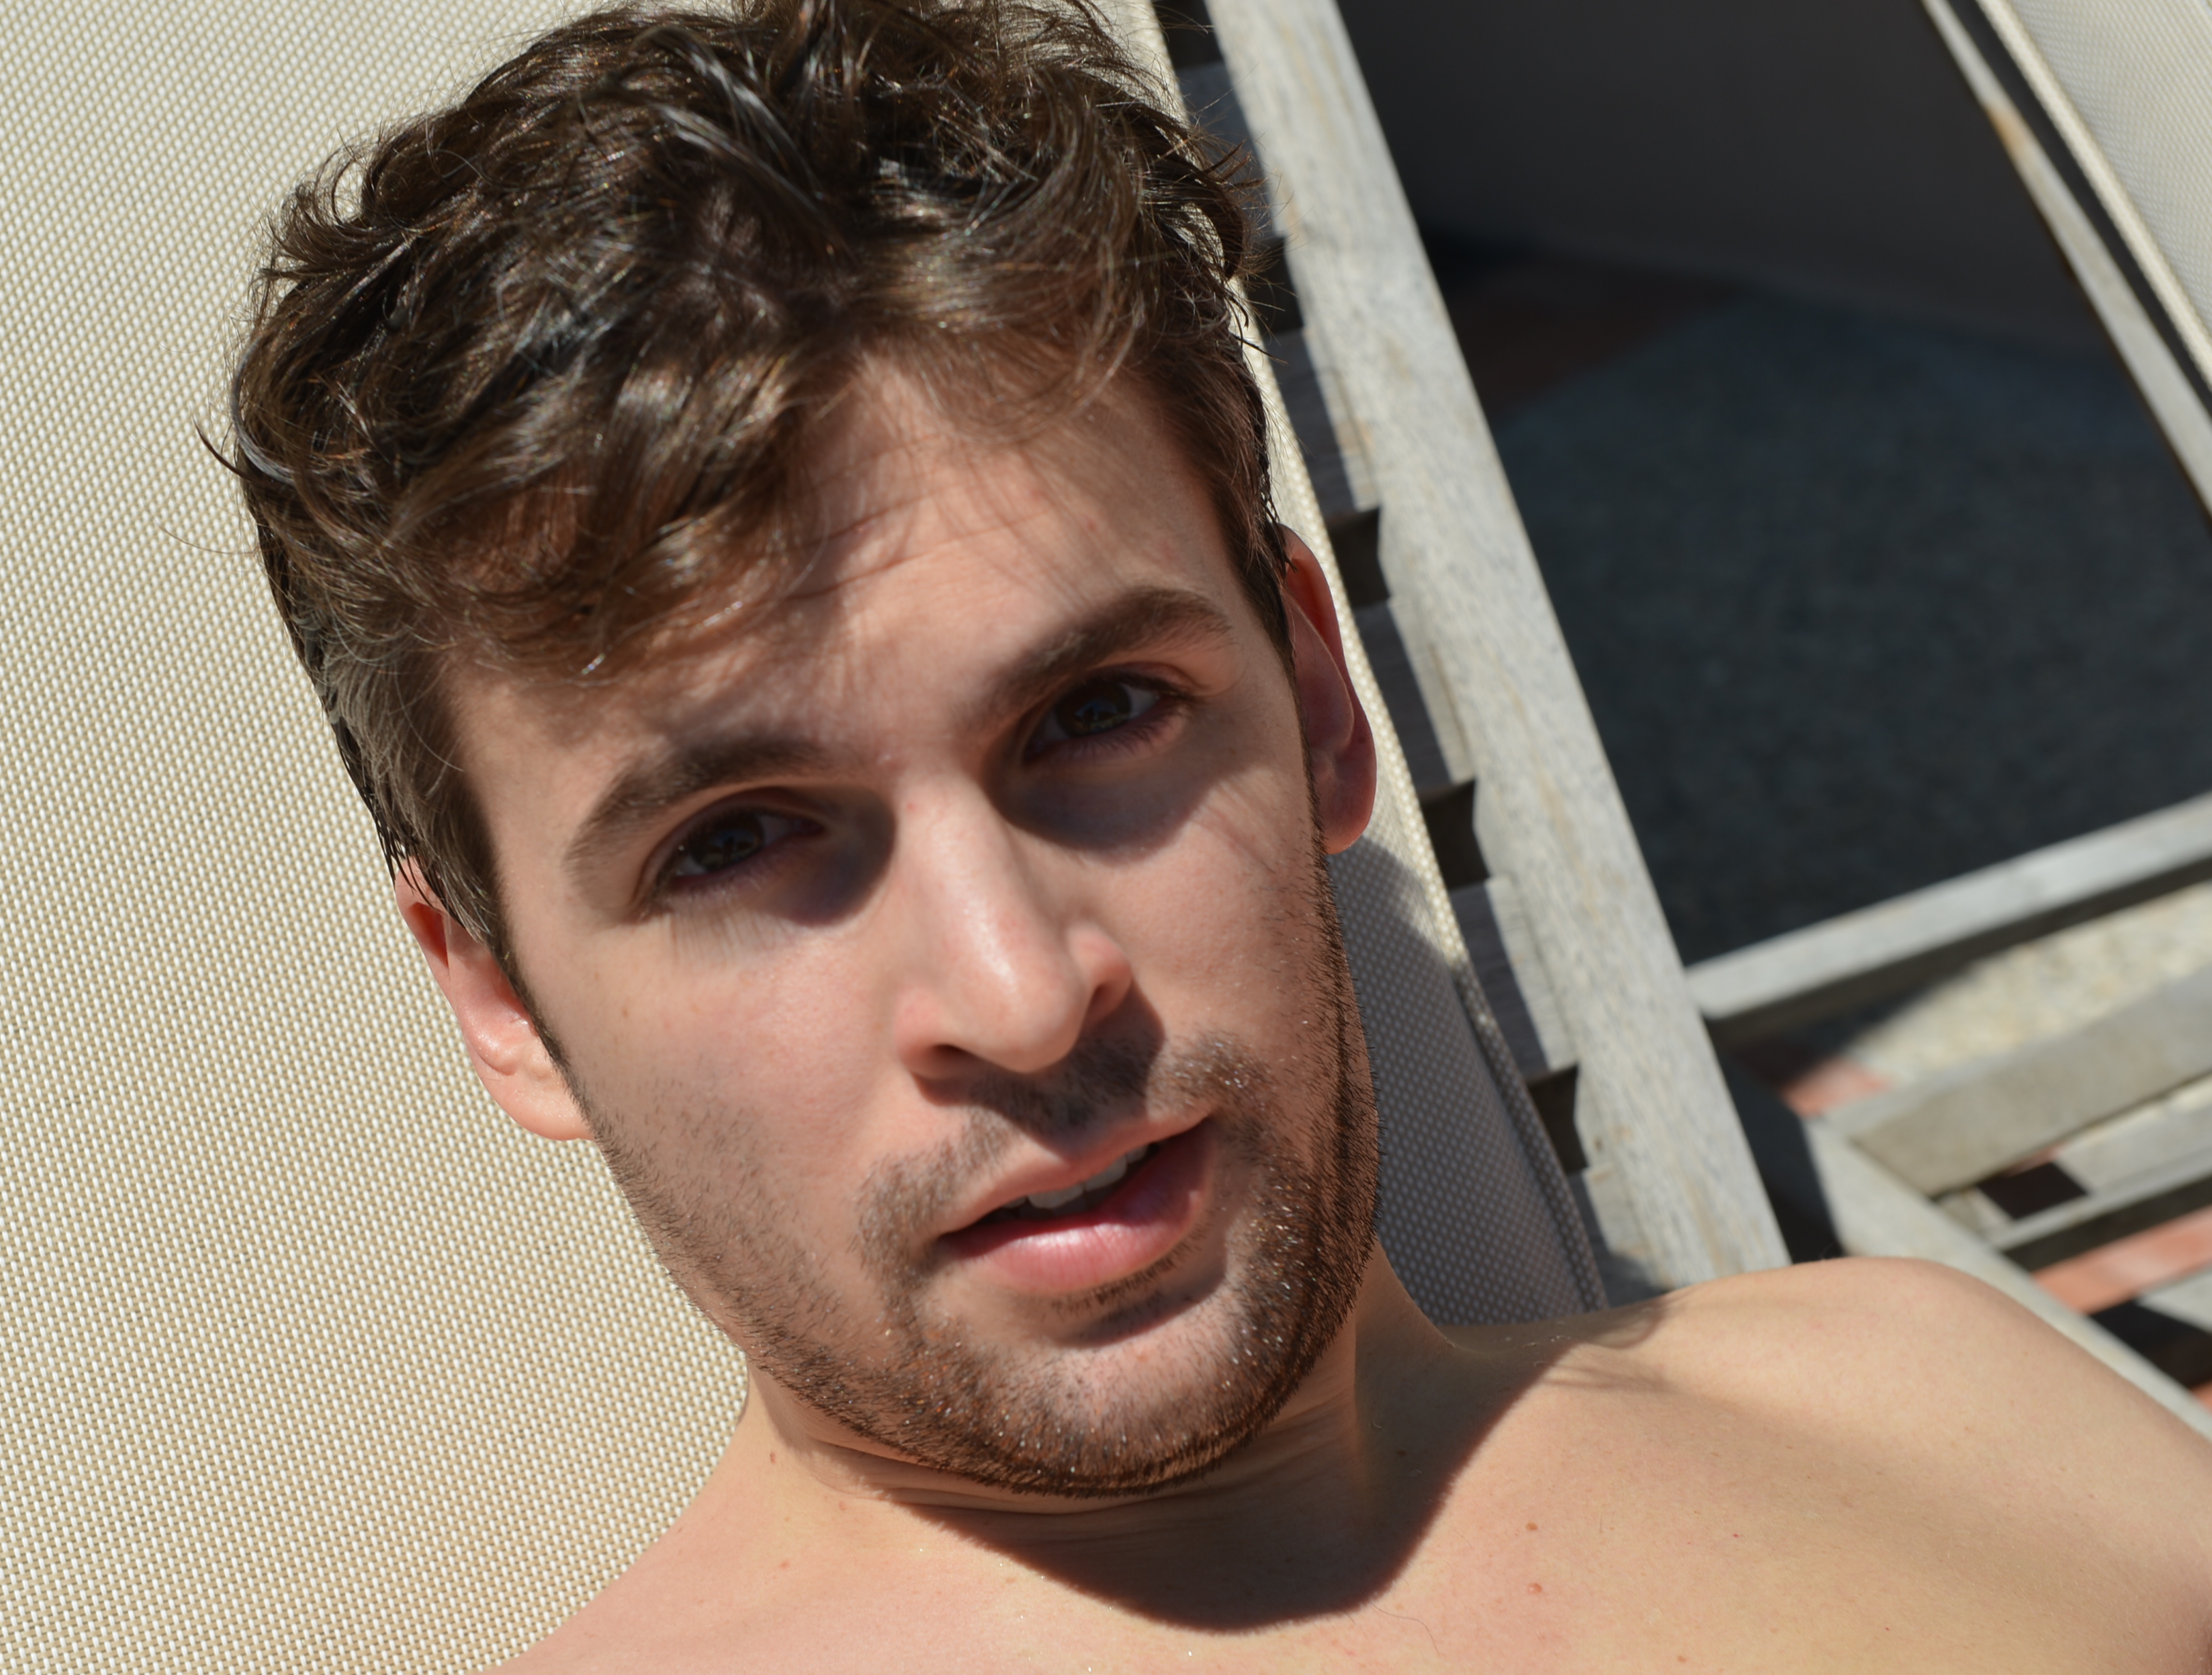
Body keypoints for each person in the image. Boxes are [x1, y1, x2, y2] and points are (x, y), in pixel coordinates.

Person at [226, 0, 2212, 1665]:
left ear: (1321, 703)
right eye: (738, 842)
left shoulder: (1934, 1417)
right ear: (498, 998)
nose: (1022, 996)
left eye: (1097, 715)